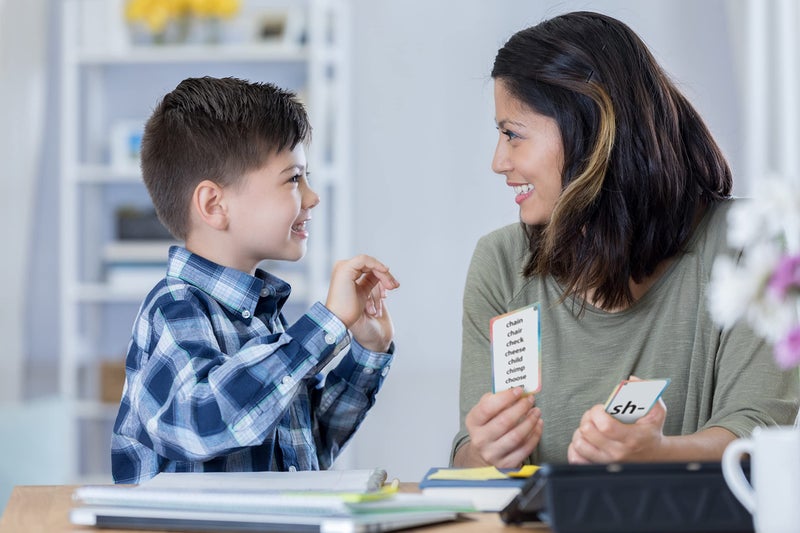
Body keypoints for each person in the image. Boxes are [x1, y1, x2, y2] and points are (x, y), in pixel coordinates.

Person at [451, 11, 799, 468]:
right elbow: (466, 456)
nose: (499, 162)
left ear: (590, 130)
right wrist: (488, 450)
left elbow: (756, 436)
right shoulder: (500, 263)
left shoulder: (750, 250)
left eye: (513, 135)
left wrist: (658, 455)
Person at [111, 76, 399, 484]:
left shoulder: (261, 318)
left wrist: (368, 350)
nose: (313, 197)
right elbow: (204, 421)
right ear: (215, 204)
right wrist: (326, 324)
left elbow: (305, 451)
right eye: (294, 178)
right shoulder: (175, 308)